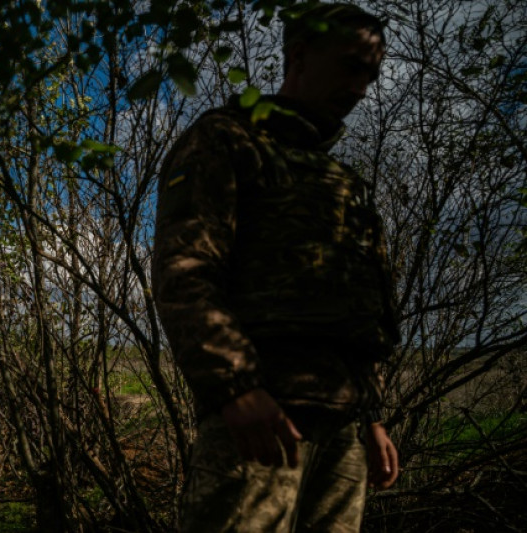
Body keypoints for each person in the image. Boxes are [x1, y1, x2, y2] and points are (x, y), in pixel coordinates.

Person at [151, 3, 400, 531]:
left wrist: (372, 416)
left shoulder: (343, 182)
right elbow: (186, 270)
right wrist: (236, 387)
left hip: (342, 431)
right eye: (351, 66)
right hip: (261, 419)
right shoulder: (228, 139)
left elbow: (362, 313)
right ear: (300, 56)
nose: (361, 87)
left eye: (371, 74)